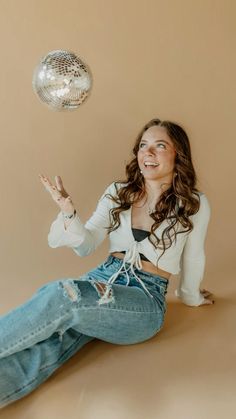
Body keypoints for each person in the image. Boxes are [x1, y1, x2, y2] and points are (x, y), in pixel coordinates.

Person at [0, 118, 214, 408]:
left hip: (144, 298)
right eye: (143, 146)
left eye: (159, 146)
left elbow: (194, 256)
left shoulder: (193, 203)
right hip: (101, 278)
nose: (147, 153)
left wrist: (191, 296)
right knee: (55, 340)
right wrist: (68, 213)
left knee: (62, 295)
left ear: (179, 154)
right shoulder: (118, 192)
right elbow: (86, 245)